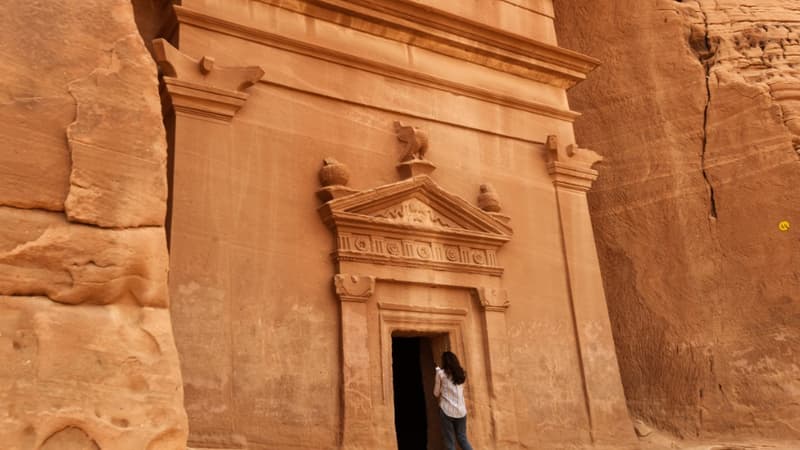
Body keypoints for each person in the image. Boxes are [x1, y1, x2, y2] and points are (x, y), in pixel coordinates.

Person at [434, 351, 474, 450]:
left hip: (447, 411)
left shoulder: (441, 374)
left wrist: (437, 373)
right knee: (462, 438)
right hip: (461, 412)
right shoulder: (461, 373)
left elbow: (436, 393)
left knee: (449, 441)